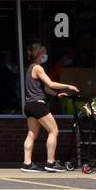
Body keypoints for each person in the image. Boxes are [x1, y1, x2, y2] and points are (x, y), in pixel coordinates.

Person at [22, 42, 78, 172]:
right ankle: (50, 163)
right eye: (44, 52)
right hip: (38, 105)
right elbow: (50, 83)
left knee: (31, 134)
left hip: (29, 105)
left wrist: (57, 95)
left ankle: (27, 164)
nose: (45, 55)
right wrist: (68, 86)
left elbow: (45, 88)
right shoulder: (38, 68)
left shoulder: (30, 68)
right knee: (53, 131)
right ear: (39, 54)